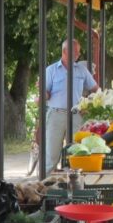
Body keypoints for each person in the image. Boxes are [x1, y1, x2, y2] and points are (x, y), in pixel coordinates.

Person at [41, 39, 97, 170]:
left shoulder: (82, 70)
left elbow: (96, 89)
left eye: (78, 53)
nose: (78, 56)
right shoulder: (51, 70)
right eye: (75, 53)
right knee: (52, 154)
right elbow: (46, 94)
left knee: (77, 152)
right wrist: (41, 95)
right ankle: (45, 187)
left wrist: (89, 104)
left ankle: (73, 184)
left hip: (76, 115)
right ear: (65, 51)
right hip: (56, 115)